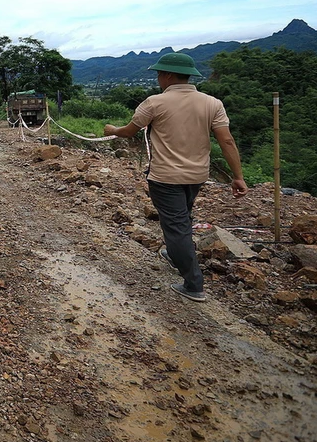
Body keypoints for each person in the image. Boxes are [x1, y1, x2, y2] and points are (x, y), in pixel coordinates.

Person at [104, 52, 247, 302]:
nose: (159, 78)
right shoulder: (212, 103)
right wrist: (238, 176)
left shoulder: (154, 102)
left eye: (160, 74)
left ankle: (193, 284)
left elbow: (128, 132)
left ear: (168, 75)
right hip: (197, 176)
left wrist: (112, 130)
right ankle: (175, 253)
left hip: (165, 177)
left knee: (176, 227)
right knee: (183, 217)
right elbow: (226, 140)